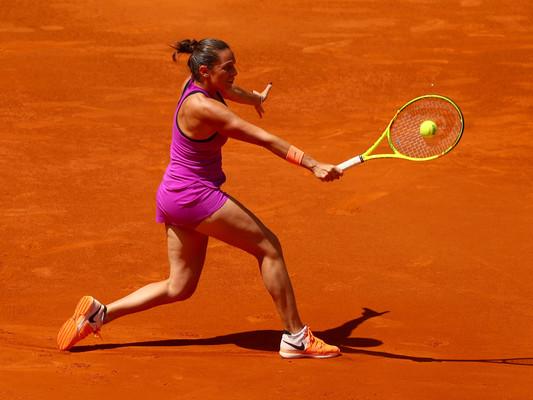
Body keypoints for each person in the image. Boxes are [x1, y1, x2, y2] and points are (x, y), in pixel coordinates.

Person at [57, 38, 343, 359]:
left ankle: (99, 314)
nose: (235, 71)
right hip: (196, 196)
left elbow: (229, 90)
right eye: (228, 67)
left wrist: (254, 98)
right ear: (206, 71)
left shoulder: (194, 84)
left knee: (179, 286)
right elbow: (264, 139)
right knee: (269, 248)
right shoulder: (206, 109)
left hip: (173, 193)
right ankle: (296, 337)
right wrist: (314, 164)